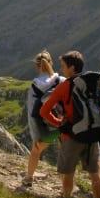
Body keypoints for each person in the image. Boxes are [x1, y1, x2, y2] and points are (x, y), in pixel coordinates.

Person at [40, 50, 100, 198]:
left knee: (68, 172)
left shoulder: (65, 86)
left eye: (63, 66)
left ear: (72, 68)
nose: (61, 69)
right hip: (92, 134)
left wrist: (59, 123)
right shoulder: (92, 83)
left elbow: (44, 110)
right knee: (94, 173)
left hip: (71, 136)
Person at [22, 50, 62, 187]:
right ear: (51, 62)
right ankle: (65, 185)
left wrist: (36, 136)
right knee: (63, 154)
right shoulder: (61, 81)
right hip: (63, 124)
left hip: (46, 127)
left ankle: (29, 177)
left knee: (36, 151)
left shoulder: (35, 87)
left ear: (37, 66)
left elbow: (32, 113)